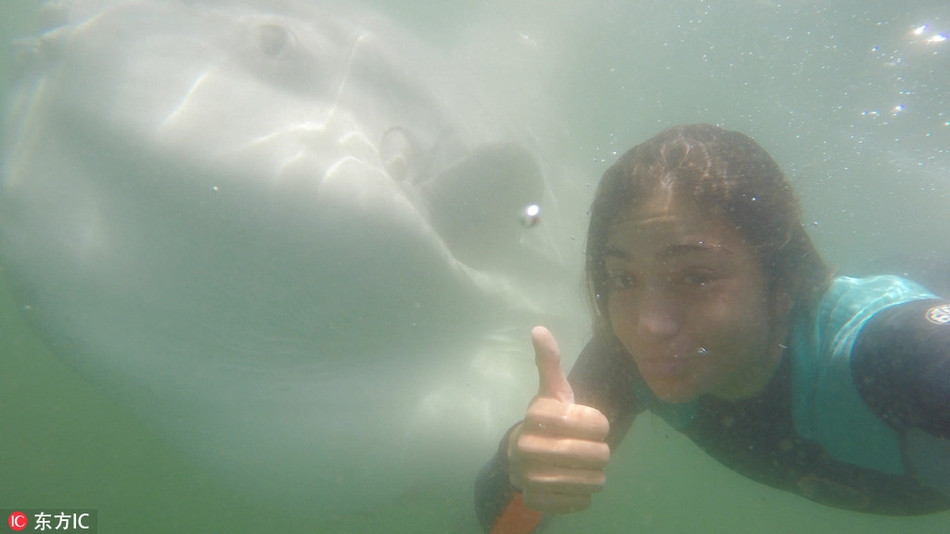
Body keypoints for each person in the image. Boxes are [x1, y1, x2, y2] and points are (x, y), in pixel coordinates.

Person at [474, 124, 950, 533]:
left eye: (696, 277)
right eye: (625, 279)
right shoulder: (627, 358)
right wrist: (523, 462)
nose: (650, 325)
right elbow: (505, 525)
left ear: (782, 281)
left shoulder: (898, 353)